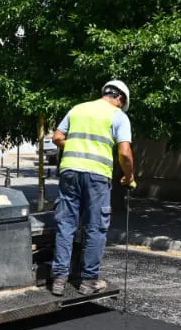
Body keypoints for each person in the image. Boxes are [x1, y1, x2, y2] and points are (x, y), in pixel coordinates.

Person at [50, 80, 135, 296]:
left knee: (66, 224)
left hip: (69, 171)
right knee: (95, 227)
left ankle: (59, 279)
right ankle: (88, 282)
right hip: (97, 176)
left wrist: (77, 146)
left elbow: (57, 137)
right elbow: (125, 153)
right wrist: (129, 176)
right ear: (120, 99)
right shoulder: (118, 116)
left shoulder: (78, 109)